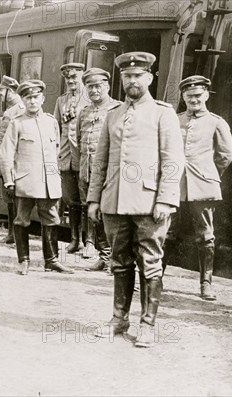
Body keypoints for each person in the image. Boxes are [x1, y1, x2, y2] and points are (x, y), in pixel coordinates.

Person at [87, 52, 185, 348]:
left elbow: (172, 160)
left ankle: (148, 324)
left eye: (138, 75)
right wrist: (93, 199)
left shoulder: (162, 113)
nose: (132, 80)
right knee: (119, 262)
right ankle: (119, 319)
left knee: (150, 264)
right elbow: (100, 161)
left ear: (150, 78)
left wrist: (166, 200)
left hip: (148, 203)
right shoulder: (113, 115)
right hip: (114, 202)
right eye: (127, 76)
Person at [0, 80, 74, 275]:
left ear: (43, 98)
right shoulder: (17, 123)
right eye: (28, 97)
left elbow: (56, 149)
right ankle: (23, 261)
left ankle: (51, 260)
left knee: (51, 219)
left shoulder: (51, 122)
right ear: (23, 100)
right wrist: (8, 179)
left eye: (35, 97)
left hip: (48, 182)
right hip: (25, 182)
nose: (32, 101)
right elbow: (6, 154)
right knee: (22, 220)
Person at [174, 75, 232, 301]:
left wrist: (209, 175)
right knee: (164, 233)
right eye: (189, 96)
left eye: (198, 95)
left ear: (206, 95)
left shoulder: (217, 122)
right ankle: (154, 278)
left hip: (203, 186)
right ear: (183, 97)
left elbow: (226, 155)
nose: (194, 100)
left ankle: (206, 283)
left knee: (205, 236)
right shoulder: (175, 119)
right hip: (175, 186)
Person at [76, 68, 121, 273]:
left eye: (98, 86)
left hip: (108, 173)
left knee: (110, 216)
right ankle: (104, 257)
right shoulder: (84, 112)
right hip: (87, 171)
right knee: (94, 214)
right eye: (90, 87)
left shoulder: (117, 110)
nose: (94, 90)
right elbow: (79, 141)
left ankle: (116, 259)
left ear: (107, 86)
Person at [54, 62, 90, 255]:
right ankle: (76, 240)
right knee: (71, 200)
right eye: (67, 78)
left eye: (74, 77)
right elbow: (57, 127)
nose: (70, 81)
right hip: (66, 157)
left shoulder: (89, 99)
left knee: (87, 201)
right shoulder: (61, 100)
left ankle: (90, 242)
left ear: (81, 76)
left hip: (83, 157)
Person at [0, 76, 25, 245]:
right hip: (7, 162)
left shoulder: (17, 110)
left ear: (11, 92)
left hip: (13, 164)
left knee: (14, 201)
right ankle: (12, 234)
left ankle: (14, 235)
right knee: (10, 201)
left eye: (1, 91)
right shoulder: (12, 110)